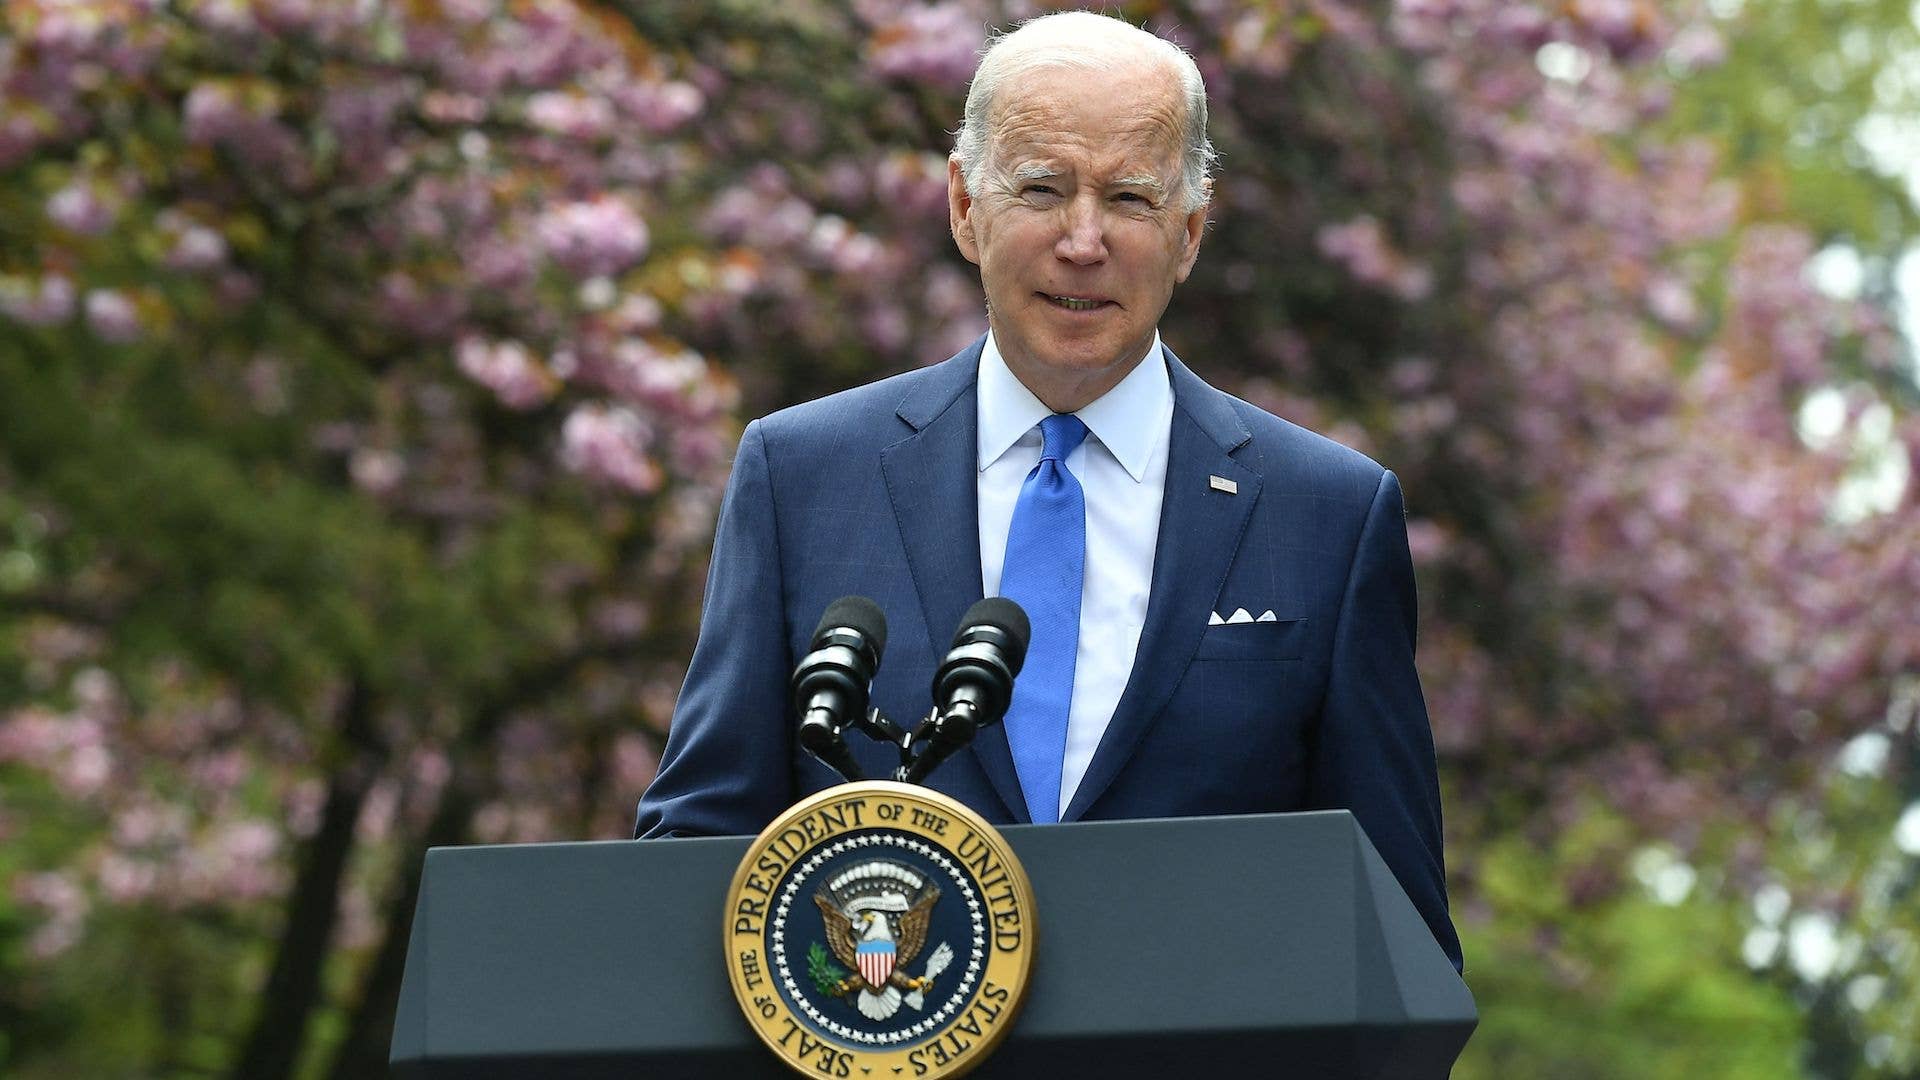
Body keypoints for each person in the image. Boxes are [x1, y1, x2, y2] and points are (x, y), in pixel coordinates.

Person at [635, 10, 1461, 972]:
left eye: (1130, 199)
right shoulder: (802, 476)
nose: (1083, 240)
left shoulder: (1329, 515)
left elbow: (1398, 940)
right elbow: (694, 862)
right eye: (1041, 188)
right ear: (963, 207)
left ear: (1190, 231)